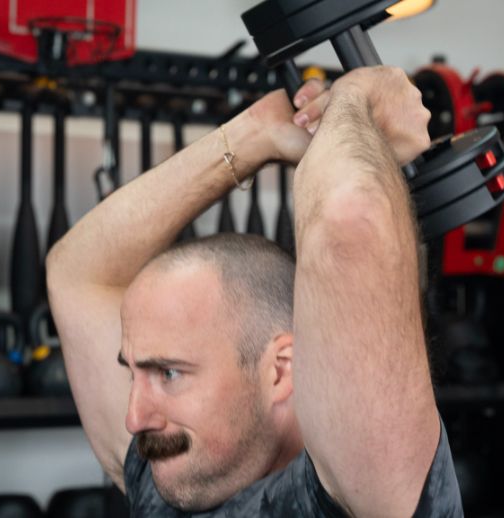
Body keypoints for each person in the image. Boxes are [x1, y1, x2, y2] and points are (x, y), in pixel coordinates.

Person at [46, 66, 463, 517]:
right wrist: (253, 137)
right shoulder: (165, 477)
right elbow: (77, 273)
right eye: (135, 373)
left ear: (282, 371)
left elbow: (350, 222)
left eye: (168, 374)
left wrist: (357, 98)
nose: (134, 418)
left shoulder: (360, 496)